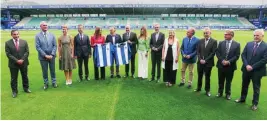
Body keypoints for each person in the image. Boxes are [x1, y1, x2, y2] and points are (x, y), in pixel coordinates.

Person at [235, 29, 267, 111]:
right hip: (246, 69)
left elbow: (264, 60)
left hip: (257, 71)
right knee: (244, 85)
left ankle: (254, 104)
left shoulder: (265, 46)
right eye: (254, 35)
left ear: (262, 36)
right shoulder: (249, 44)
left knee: (256, 88)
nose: (255, 37)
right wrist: (246, 65)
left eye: (257, 35)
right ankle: (242, 98)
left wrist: (252, 67)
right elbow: (243, 55)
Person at [5, 30, 31, 98]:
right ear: (11, 35)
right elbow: (8, 54)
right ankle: (14, 92)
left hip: (24, 62)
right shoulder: (8, 43)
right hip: (13, 64)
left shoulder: (24, 42)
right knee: (14, 78)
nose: (16, 36)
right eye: (14, 34)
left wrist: (22, 59)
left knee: (25, 76)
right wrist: (17, 60)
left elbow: (27, 52)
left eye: (17, 34)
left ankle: (26, 88)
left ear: (19, 34)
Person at [216, 30, 240, 100]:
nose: (225, 36)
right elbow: (217, 53)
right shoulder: (221, 43)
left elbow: (237, 56)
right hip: (221, 65)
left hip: (230, 66)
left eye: (226, 34)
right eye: (224, 34)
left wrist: (229, 61)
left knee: (228, 81)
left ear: (231, 35)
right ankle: (220, 92)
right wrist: (222, 60)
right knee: (220, 80)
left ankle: (227, 94)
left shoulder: (237, 44)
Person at [194, 27, 217, 97]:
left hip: (208, 63)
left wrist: (205, 60)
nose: (205, 34)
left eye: (207, 33)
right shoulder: (200, 41)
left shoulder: (214, 41)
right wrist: (200, 59)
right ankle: (199, 88)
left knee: (207, 77)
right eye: (204, 33)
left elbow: (213, 53)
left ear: (210, 33)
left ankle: (207, 90)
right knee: (200, 76)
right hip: (200, 62)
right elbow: (198, 51)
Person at [35, 21, 58, 90]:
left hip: (52, 56)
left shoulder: (52, 35)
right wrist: (45, 55)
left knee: (53, 70)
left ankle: (54, 82)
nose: (45, 26)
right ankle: (46, 83)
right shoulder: (37, 36)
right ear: (41, 27)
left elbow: (55, 45)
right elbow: (38, 47)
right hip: (43, 57)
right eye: (44, 25)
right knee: (44, 71)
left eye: (46, 25)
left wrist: (52, 54)